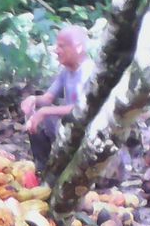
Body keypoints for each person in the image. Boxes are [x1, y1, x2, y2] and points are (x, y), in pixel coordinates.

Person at [19, 26, 95, 173]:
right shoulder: (67, 72)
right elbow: (48, 98)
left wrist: (45, 112)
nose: (56, 50)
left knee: (44, 115)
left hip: (86, 133)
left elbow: (82, 109)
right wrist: (33, 99)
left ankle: (61, 166)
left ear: (78, 47)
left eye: (62, 46)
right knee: (35, 114)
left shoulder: (88, 72)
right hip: (69, 127)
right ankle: (44, 166)